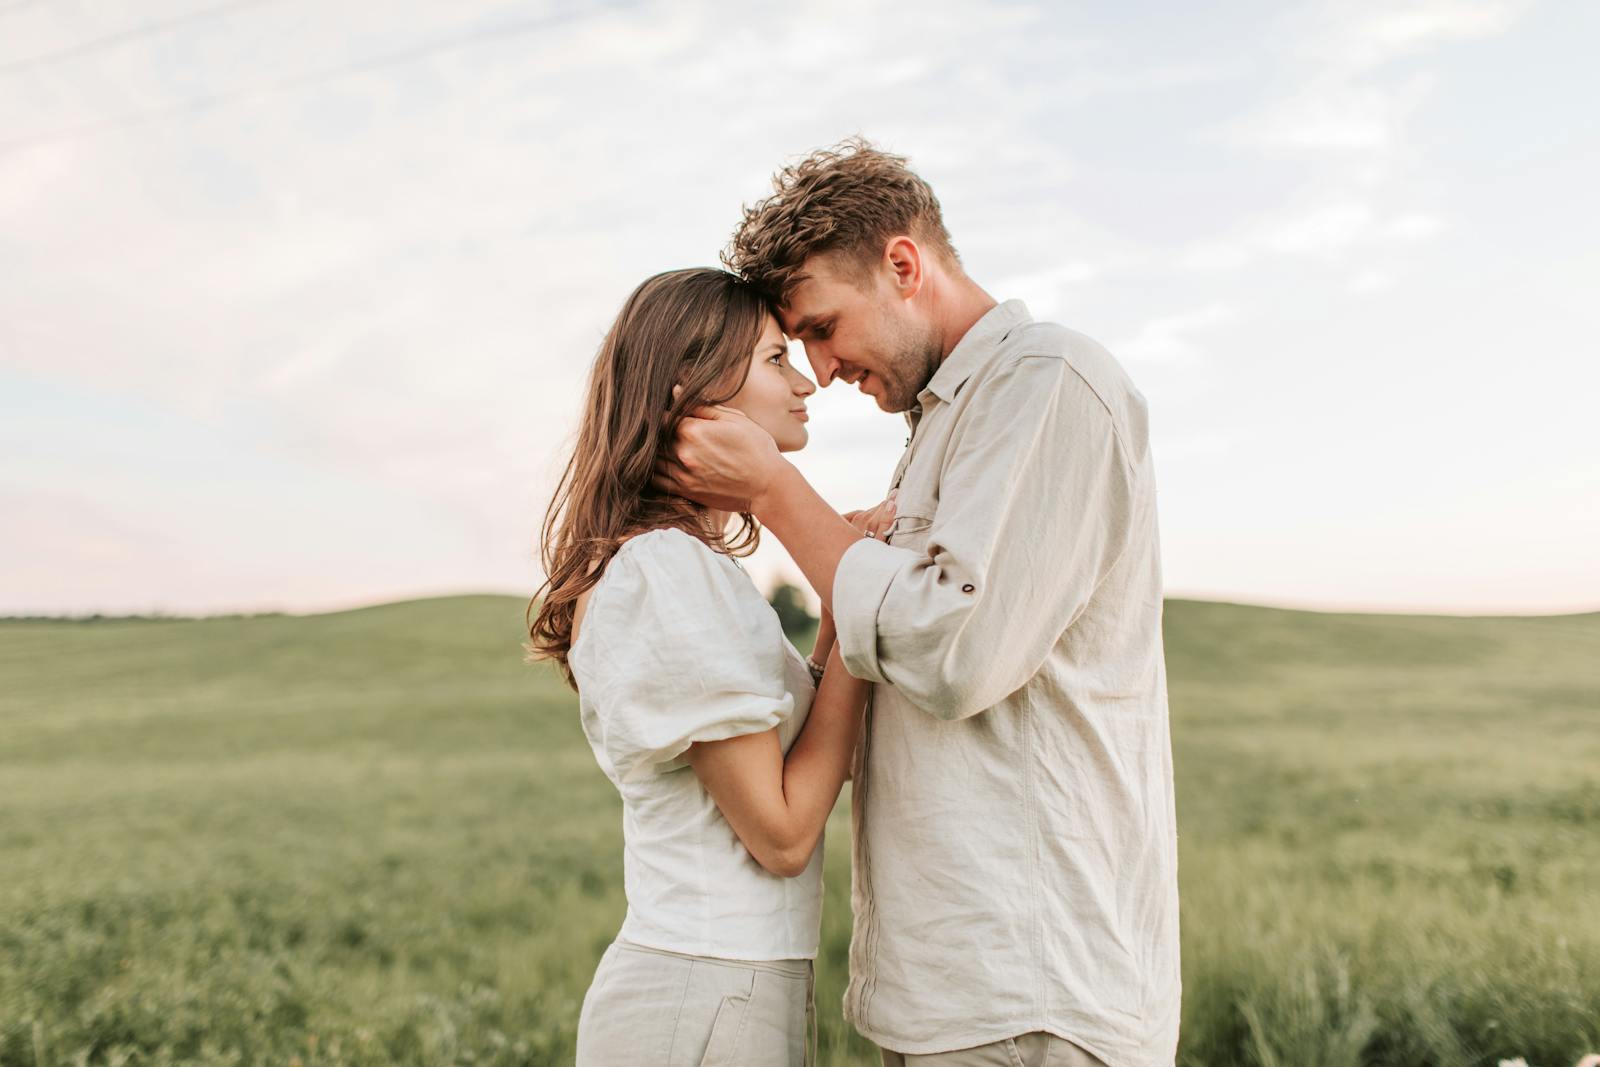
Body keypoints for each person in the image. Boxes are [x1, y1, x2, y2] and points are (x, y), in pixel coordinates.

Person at [655, 140, 1181, 1067]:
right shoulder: (946, 425)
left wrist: (780, 496)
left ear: (903, 265)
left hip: (1031, 986)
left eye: (821, 326)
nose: (817, 368)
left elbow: (954, 654)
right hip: (958, 990)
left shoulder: (1046, 382)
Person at [527, 266, 888, 1066]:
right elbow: (784, 833)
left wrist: (843, 613)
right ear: (694, 393)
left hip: (729, 986)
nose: (806, 382)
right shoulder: (664, 569)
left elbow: (813, 756)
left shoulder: (690, 567)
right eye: (773, 360)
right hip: (702, 992)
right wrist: (865, 608)